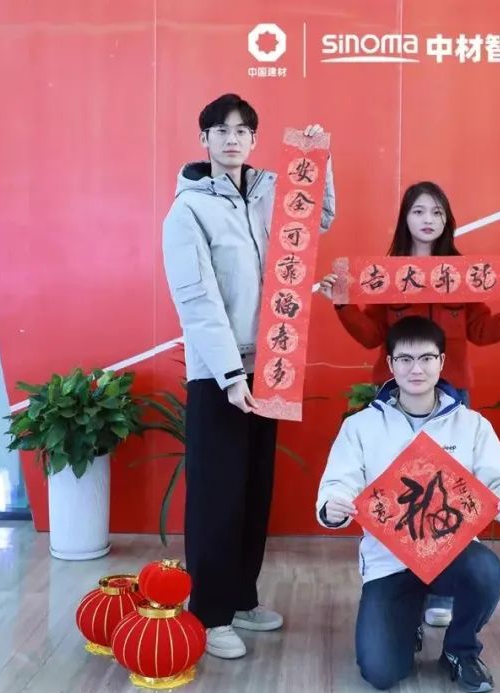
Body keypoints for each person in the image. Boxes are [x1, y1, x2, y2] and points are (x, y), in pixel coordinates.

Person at [317, 181, 500, 628]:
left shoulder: (463, 273)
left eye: (437, 212)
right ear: (405, 218)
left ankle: (441, 591)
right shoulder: (386, 274)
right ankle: (402, 587)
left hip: (452, 397)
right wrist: (342, 304)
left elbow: (482, 331)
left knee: (445, 495)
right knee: (401, 493)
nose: (427, 220)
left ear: (447, 221)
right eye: (419, 211)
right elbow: (371, 336)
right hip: (395, 397)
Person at [161, 93, 335, 659]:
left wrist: (318, 160)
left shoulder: (270, 194)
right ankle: (209, 614)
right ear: (205, 139)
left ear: (255, 140)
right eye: (221, 129)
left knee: (255, 490)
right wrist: (231, 375)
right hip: (220, 374)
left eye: (242, 130)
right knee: (217, 496)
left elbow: (318, 219)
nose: (232, 138)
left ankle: (240, 598)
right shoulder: (187, 211)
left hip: (273, 366)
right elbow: (198, 300)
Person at [315, 316, 500, 693]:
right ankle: (406, 620)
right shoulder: (361, 426)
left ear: (442, 362)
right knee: (381, 672)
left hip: (452, 552)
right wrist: (332, 506)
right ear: (390, 364)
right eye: (405, 359)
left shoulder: (471, 424)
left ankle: (460, 649)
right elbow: (338, 482)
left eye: (426, 358)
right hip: (389, 562)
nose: (416, 369)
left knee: (485, 570)